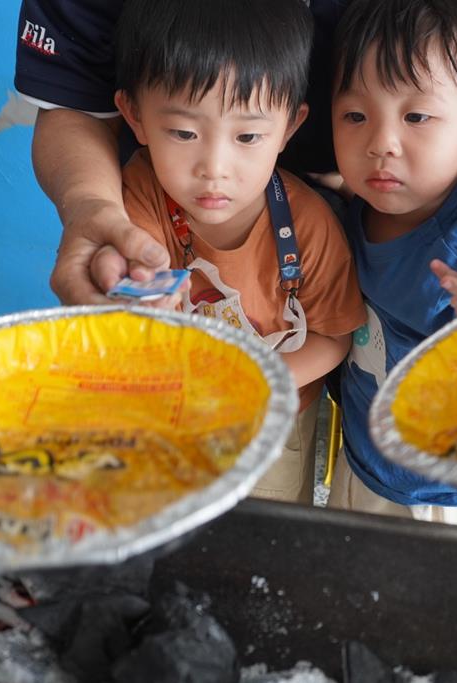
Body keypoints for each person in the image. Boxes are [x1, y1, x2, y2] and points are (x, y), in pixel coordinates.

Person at [14, 0, 457, 309]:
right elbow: (74, 104)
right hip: (162, 217)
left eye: (416, 117)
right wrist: (91, 206)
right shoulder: (150, 206)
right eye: (184, 131)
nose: (216, 164)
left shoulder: (407, 247)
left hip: (365, 215)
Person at [110, 0, 367, 504]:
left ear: (289, 128)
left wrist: (255, 387)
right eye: (184, 133)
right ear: (135, 116)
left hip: (275, 422)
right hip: (170, 411)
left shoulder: (310, 225)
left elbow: (334, 336)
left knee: (266, 529)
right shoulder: (139, 192)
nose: (215, 167)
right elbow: (134, 280)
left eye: (248, 135)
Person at [326, 0, 457, 526]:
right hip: (364, 462)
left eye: (416, 116)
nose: (380, 144)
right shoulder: (355, 210)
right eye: (355, 116)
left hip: (438, 496)